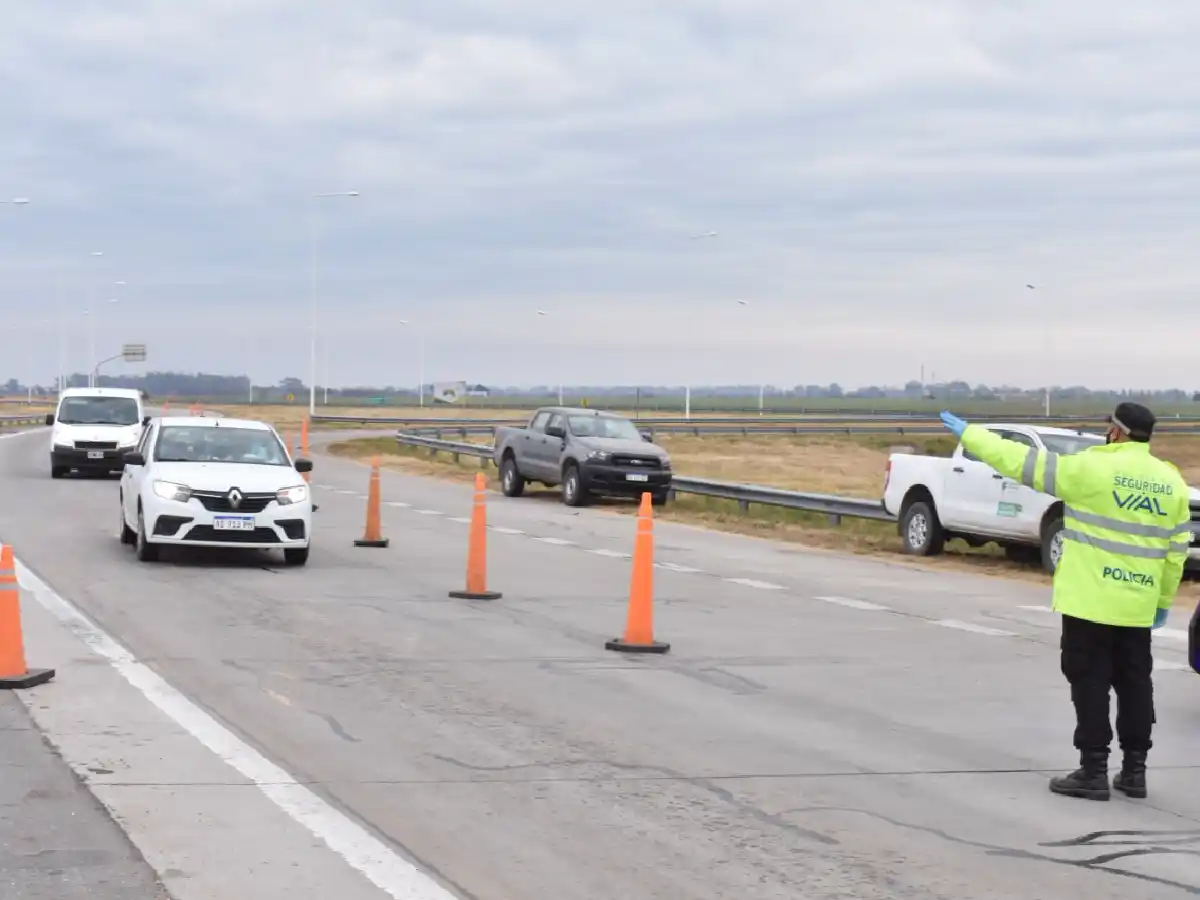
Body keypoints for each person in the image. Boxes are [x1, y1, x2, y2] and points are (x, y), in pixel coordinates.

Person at [939, 402, 1188, 801]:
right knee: (1135, 684)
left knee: (1089, 681)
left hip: (1090, 600)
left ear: (1117, 432)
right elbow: (1177, 550)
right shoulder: (1170, 481)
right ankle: (1135, 772)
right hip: (1138, 603)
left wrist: (972, 435)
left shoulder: (1089, 469)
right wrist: (1161, 600)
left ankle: (1093, 770)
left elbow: (1021, 461)